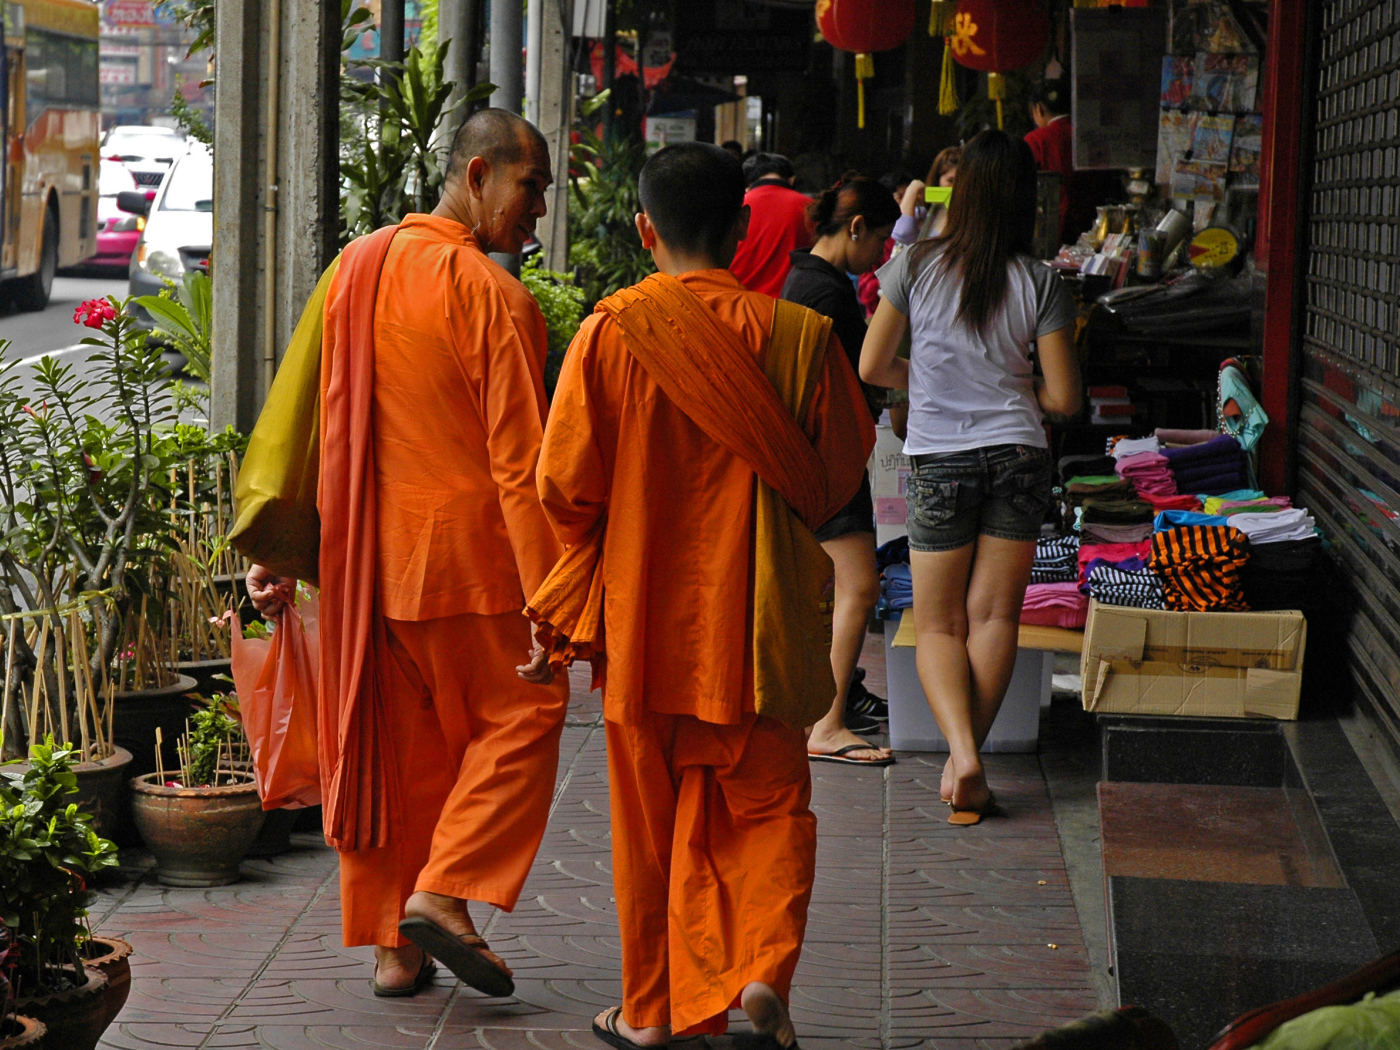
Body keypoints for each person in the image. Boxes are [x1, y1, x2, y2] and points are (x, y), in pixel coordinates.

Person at [531, 142, 874, 1048]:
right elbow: (837, 473)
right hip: (760, 629)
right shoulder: (801, 339)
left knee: (650, 834)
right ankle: (760, 975)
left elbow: (563, 486)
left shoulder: (612, 332)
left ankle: (652, 1014)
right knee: (766, 811)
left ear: (645, 229)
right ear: (742, 231)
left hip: (646, 630)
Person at [242, 108, 570, 998]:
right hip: (470, 565)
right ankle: (445, 892)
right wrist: (552, 598)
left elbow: (303, 407)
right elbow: (518, 464)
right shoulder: (495, 298)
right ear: (477, 176)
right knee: (525, 719)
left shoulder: (360, 266)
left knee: (398, 755)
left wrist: (279, 538)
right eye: (530, 185)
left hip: (364, 569)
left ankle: (396, 949)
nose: (539, 206)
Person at [859, 130, 1082, 825]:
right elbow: (1064, 400)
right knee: (993, 618)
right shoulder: (1041, 280)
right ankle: (969, 759)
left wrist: (924, 384)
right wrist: (1017, 392)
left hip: (938, 461)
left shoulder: (915, 266)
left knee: (937, 625)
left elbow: (872, 365)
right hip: (1018, 453)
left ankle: (962, 755)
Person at [780, 175, 900, 767]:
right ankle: (826, 724)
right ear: (855, 228)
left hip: (818, 457)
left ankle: (821, 711)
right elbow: (858, 374)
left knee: (835, 590)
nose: (884, 251)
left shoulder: (808, 279)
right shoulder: (825, 291)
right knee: (859, 585)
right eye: (881, 237)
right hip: (826, 458)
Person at [729, 152, 813, 296]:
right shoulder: (810, 208)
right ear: (791, 180)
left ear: (747, 185)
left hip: (739, 306)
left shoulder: (733, 207)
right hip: (792, 309)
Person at [1025, 78, 1089, 246]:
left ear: (1038, 109)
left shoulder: (1036, 139)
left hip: (1049, 231)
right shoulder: (1087, 134)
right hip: (1093, 224)